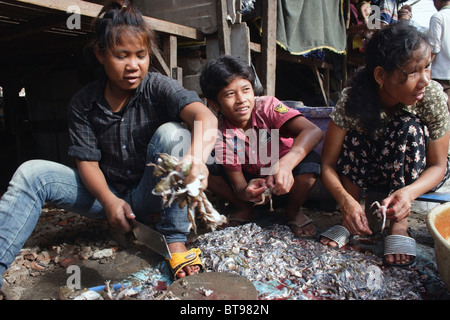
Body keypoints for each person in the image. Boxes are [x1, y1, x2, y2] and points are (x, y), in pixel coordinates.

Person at [0, 0, 217, 287]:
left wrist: (196, 159)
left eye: (141, 55)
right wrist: (109, 200)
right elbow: (86, 162)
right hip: (104, 195)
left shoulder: (158, 86)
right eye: (121, 55)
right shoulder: (82, 103)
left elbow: (204, 116)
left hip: (149, 191)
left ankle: (174, 241)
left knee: (173, 133)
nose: (133, 66)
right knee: (32, 174)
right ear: (101, 54)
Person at [319, 23, 450, 267]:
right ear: (381, 76)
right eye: (413, 72)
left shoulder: (430, 96)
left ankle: (399, 224)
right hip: (372, 169)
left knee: (408, 127)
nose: (424, 80)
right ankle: (350, 219)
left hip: (415, 173)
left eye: (427, 67)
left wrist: (408, 193)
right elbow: (327, 164)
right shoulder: (352, 100)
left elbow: (438, 165)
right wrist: (346, 201)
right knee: (357, 135)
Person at [200, 55, 323, 238]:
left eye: (246, 90)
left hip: (287, 181)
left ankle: (293, 211)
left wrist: (286, 164)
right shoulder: (221, 135)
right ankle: (246, 209)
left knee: (311, 163)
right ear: (214, 104)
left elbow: (313, 131)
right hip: (257, 186)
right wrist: (246, 191)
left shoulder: (268, 106)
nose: (241, 99)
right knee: (208, 166)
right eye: (230, 94)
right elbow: (239, 186)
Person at [429, 0, 450, 113]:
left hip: (441, 78)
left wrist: (423, 68)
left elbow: (434, 48)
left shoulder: (438, 17)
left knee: (443, 116)